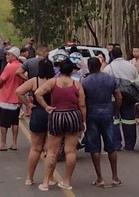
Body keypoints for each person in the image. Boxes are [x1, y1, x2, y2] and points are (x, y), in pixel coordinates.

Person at [35, 58, 86, 191]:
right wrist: (83, 120)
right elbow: (82, 104)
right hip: (73, 116)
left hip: (56, 115)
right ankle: (67, 181)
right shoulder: (77, 84)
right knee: (70, 151)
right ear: (72, 70)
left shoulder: (53, 82)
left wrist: (46, 106)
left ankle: (46, 182)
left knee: (52, 151)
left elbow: (37, 93)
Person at [82, 56, 122, 188]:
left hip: (92, 114)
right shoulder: (110, 79)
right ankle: (115, 176)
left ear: (89, 67)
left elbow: (82, 101)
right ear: (100, 65)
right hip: (107, 113)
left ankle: (100, 178)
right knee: (111, 146)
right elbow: (118, 97)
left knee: (94, 147)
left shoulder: (85, 81)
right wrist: (115, 110)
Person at [16, 58, 55, 185]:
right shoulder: (54, 82)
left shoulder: (35, 81)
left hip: (37, 113)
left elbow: (19, 92)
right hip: (52, 113)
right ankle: (49, 178)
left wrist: (28, 104)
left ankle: (29, 178)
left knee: (35, 148)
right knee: (50, 149)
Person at [104, 45, 139, 151]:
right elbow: (138, 82)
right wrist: (136, 94)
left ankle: (116, 144)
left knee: (115, 120)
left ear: (112, 55)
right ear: (122, 54)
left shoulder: (108, 68)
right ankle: (129, 145)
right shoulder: (131, 66)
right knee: (129, 120)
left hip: (114, 98)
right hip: (129, 97)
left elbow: (106, 84)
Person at [0, 46, 24, 151]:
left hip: (7, 97)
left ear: (14, 56)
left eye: (9, 54)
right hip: (17, 98)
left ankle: (3, 143)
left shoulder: (9, 67)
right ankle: (14, 143)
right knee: (15, 122)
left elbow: (1, 81)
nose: (6, 56)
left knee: (3, 123)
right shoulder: (21, 66)